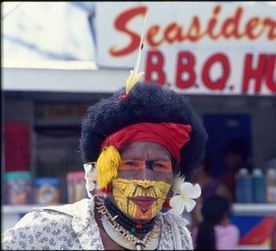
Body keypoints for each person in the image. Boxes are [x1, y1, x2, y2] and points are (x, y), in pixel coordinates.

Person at [2, 37, 208, 249]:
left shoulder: (177, 236)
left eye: (159, 165)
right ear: (107, 171)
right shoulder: (48, 230)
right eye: (130, 164)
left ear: (173, 177)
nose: (145, 180)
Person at [189, 155, 232, 231]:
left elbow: (225, 216)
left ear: (200, 166)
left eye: (190, 166)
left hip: (211, 235)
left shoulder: (219, 188)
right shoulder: (183, 187)